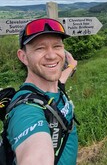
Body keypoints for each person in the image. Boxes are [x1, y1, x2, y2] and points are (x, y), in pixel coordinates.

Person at [7, 18, 78, 165]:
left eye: (57, 46)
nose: (52, 56)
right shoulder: (25, 109)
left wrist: (71, 66)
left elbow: (60, 80)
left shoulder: (54, 86)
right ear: (23, 57)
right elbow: (35, 156)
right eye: (40, 48)